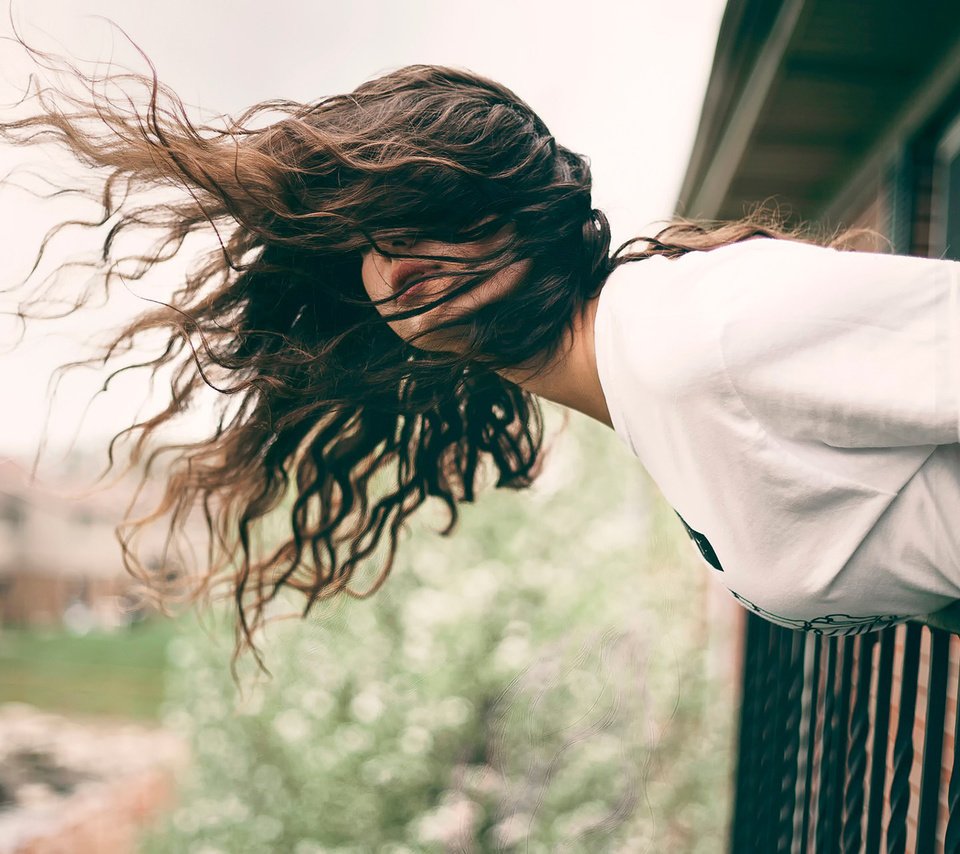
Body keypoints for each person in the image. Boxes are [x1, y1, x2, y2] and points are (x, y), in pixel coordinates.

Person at [2, 29, 959, 673]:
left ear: (536, 216)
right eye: (370, 237)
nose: (397, 262)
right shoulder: (644, 372)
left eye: (439, 215)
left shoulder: (700, 332)